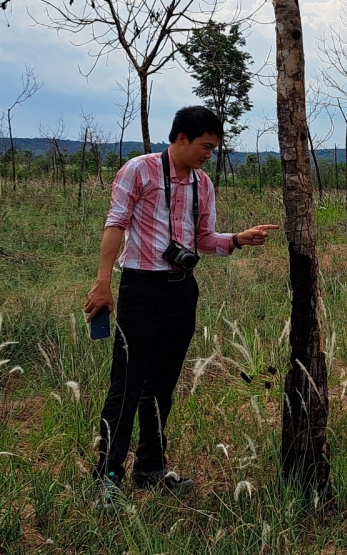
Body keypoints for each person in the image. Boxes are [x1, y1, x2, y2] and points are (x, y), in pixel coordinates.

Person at [84, 105, 278, 504]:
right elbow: (116, 224)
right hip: (140, 288)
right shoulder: (139, 170)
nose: (209, 154)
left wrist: (237, 239)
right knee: (126, 385)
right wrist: (103, 283)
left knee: (162, 385)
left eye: (215, 148)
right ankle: (107, 476)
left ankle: (150, 469)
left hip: (181, 290)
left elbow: (204, 239)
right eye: (205, 146)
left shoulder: (202, 184)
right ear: (181, 139)